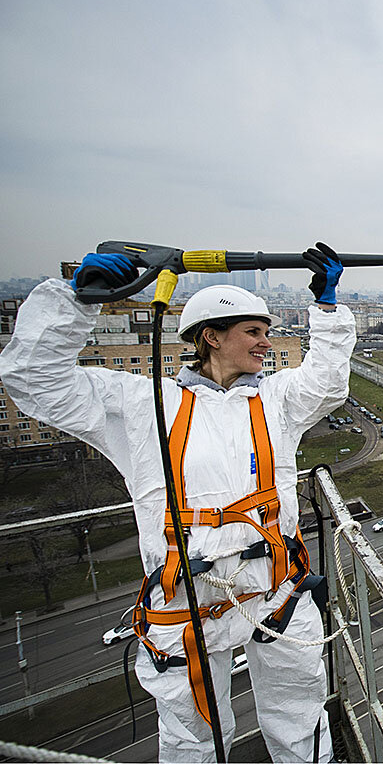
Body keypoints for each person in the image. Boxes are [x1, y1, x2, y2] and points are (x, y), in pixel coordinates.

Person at [0, 243, 354, 763]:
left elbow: (327, 381)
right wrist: (75, 303)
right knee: (192, 738)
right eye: (252, 332)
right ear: (211, 337)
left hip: (276, 591)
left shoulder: (276, 401)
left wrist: (325, 310)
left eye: (266, 331)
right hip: (186, 603)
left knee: (301, 717)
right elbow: (36, 380)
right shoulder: (145, 406)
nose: (266, 342)